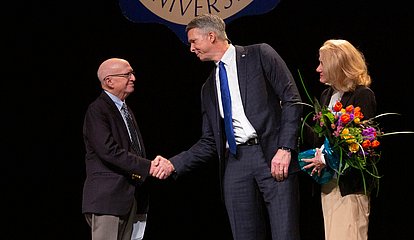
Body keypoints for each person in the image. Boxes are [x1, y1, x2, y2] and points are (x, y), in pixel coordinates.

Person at [155, 13, 303, 240]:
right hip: (236, 162)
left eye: (194, 42)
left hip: (272, 154)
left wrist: (285, 148)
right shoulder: (208, 88)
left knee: (285, 233)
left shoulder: (259, 54)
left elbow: (292, 100)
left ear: (211, 36)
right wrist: (174, 164)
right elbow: (209, 141)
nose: (191, 49)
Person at [82, 58, 172, 240]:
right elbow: (108, 151)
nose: (133, 78)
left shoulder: (125, 110)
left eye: (132, 73)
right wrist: (149, 167)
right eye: (127, 74)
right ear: (109, 81)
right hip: (107, 199)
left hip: (130, 197)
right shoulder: (98, 110)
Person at [301, 39, 377, 240]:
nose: (318, 69)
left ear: (336, 65)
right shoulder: (328, 95)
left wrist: (325, 159)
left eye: (322, 63)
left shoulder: (362, 95)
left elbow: (361, 146)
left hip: (349, 188)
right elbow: (319, 138)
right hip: (329, 185)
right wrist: (295, 119)